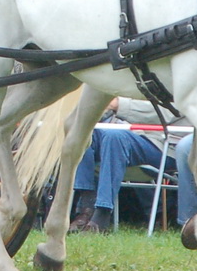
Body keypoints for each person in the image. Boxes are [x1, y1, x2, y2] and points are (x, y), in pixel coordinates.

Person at [67, 98, 171, 233]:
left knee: (114, 137)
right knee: (83, 132)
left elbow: (169, 112)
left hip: (161, 142)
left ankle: (101, 216)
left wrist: (118, 104)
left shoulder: (172, 80)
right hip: (121, 136)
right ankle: (86, 209)